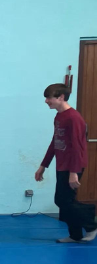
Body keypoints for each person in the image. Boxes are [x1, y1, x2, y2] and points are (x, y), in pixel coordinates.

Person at [34, 83, 96, 243]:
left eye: (49, 98)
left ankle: (90, 223)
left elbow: (77, 146)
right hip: (62, 165)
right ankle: (76, 234)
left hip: (73, 166)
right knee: (63, 201)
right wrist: (43, 165)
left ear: (60, 97)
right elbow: (56, 142)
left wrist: (74, 172)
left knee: (63, 201)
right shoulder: (59, 116)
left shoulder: (74, 118)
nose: (46, 101)